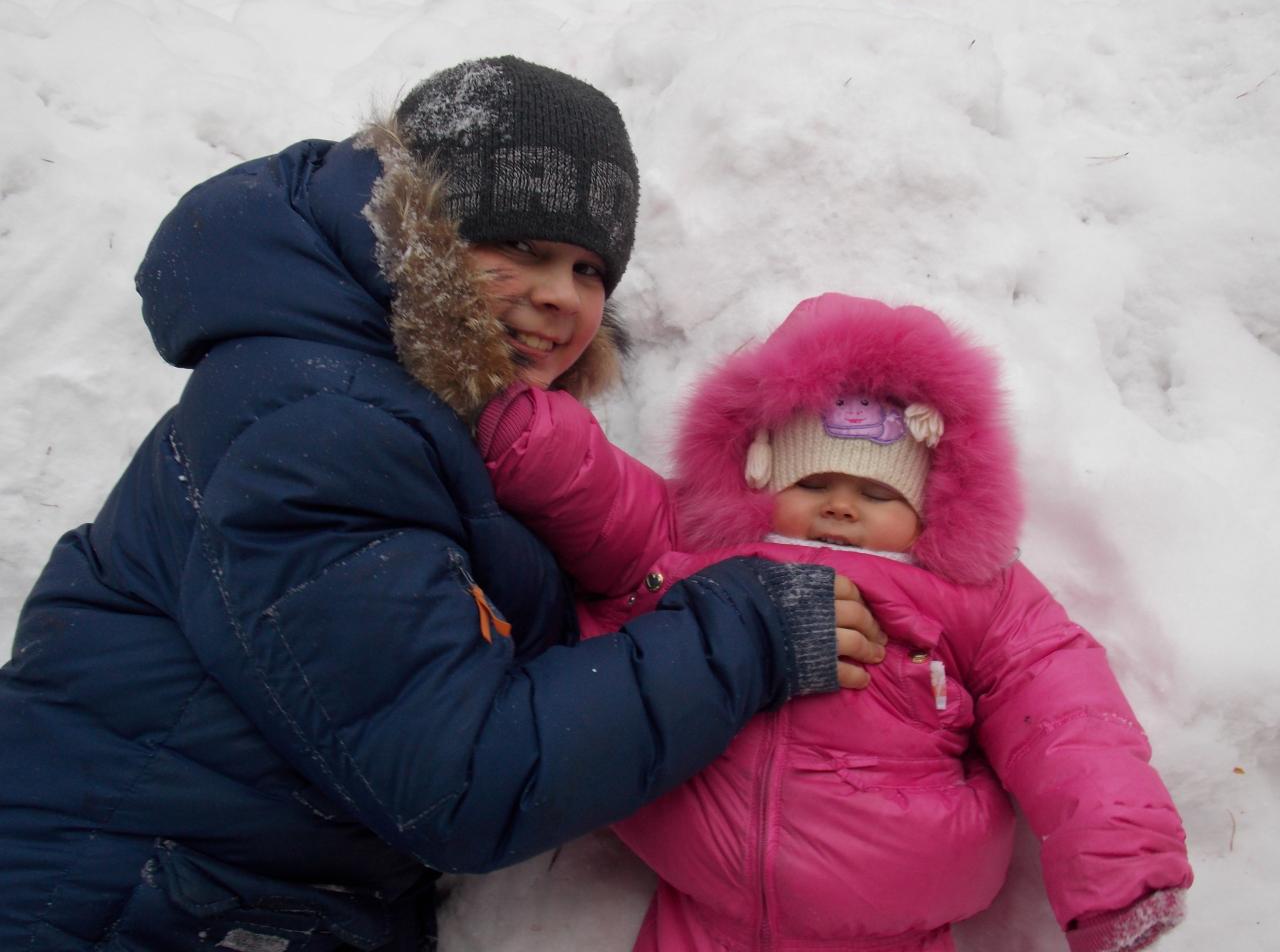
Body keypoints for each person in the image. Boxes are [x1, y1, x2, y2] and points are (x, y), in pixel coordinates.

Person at [0, 58, 886, 952]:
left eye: (588, 268)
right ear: (417, 234)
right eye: (521, 246)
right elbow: (460, 779)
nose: (561, 294)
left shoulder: (398, 405)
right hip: (110, 903)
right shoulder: (323, 425)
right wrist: (746, 633)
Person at [478, 292, 1194, 952]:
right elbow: (597, 489)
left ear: (929, 505)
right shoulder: (701, 539)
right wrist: (512, 424)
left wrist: (1120, 859)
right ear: (759, 476)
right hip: (704, 885)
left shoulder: (973, 590)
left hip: (893, 893)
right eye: (814, 482)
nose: (841, 507)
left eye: (877, 493)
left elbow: (1066, 716)